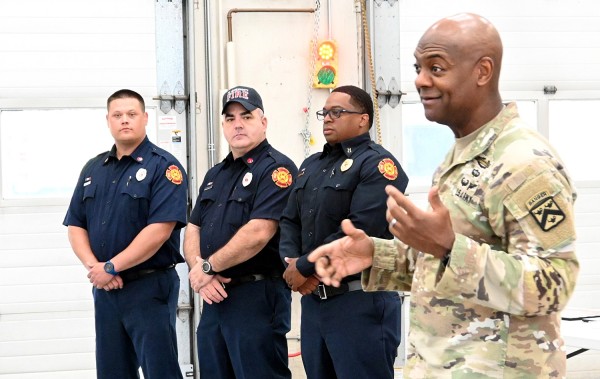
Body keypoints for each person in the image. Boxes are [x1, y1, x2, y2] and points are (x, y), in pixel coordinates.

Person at [308, 13, 580, 378]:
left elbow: (554, 283)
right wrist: (375, 255)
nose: (420, 80)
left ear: (482, 72)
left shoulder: (523, 162)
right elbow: (437, 267)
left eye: (436, 68)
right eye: (418, 68)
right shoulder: (460, 156)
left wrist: (451, 248)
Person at [279, 85, 409, 379]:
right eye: (324, 112)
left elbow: (360, 228)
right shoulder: (311, 165)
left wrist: (304, 266)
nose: (327, 118)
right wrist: (290, 263)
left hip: (359, 303)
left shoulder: (378, 165)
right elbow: (289, 220)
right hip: (315, 304)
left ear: (363, 119)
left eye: (337, 112)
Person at [63, 89, 188, 379]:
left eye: (132, 114)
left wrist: (111, 266)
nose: (125, 120)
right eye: (117, 115)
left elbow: (159, 230)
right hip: (106, 289)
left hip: (149, 287)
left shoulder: (164, 167)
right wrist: (95, 268)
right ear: (108, 121)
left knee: (161, 371)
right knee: (112, 372)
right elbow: (76, 224)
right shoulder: (94, 168)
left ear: (145, 118)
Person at [184, 85, 297, 378]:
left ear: (264, 122)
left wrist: (208, 267)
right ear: (223, 125)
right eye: (230, 118)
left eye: (246, 116)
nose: (238, 124)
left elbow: (259, 232)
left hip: (256, 296)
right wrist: (200, 271)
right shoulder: (215, 175)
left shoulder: (277, 169)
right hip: (214, 297)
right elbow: (193, 228)